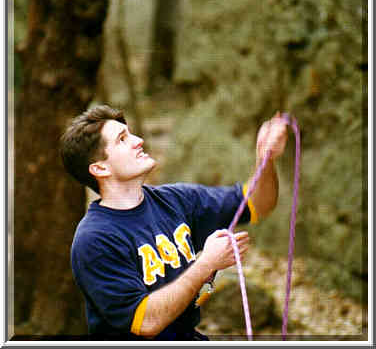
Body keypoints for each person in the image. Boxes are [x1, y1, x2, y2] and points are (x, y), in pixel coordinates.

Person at [60, 104, 288, 340]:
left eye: (131, 134)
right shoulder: (94, 240)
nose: (138, 140)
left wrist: (266, 160)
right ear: (100, 168)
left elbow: (257, 203)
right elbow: (146, 321)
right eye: (122, 139)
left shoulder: (176, 200)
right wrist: (206, 264)